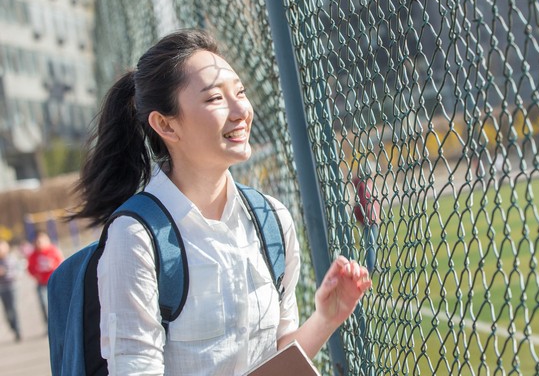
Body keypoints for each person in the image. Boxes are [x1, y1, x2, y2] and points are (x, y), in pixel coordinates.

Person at [69, 28, 371, 375]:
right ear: (166, 125)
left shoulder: (271, 218)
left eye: (240, 92)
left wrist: (326, 318)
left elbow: (279, 355)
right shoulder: (136, 237)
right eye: (215, 98)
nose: (241, 109)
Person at [26, 229, 63, 324]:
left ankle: (60, 321)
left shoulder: (53, 251)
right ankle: (48, 323)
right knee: (43, 303)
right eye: (37, 241)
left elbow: (61, 263)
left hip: (54, 281)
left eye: (41, 240)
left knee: (57, 302)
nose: (39, 243)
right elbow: (30, 268)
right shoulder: (33, 255)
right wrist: (35, 275)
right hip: (41, 283)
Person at [353, 168, 380, 273]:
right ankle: (372, 266)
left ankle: (372, 265)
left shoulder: (363, 185)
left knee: (371, 244)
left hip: (368, 219)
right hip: (369, 220)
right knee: (371, 244)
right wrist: (372, 217)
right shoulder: (364, 186)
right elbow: (366, 203)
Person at [0, 239, 21, 342]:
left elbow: (17, 272)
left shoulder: (10, 259)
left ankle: (17, 330)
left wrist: (5, 272)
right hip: (1, 288)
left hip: (11, 287)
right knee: (7, 311)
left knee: (12, 309)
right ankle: (12, 326)